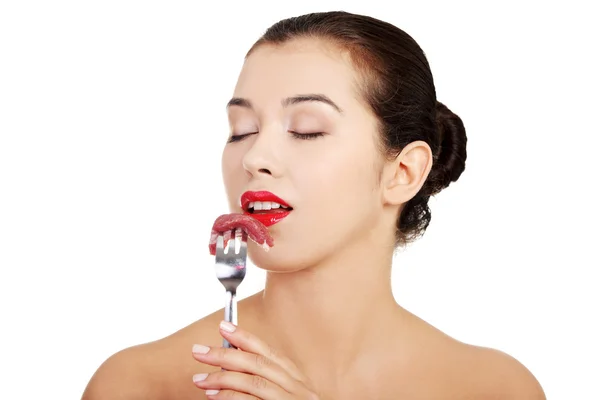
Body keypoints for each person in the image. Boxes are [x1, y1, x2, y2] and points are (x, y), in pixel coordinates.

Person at [82, 11, 546, 400]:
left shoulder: (495, 388)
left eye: (306, 129)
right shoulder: (135, 384)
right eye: (241, 129)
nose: (256, 158)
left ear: (403, 173)